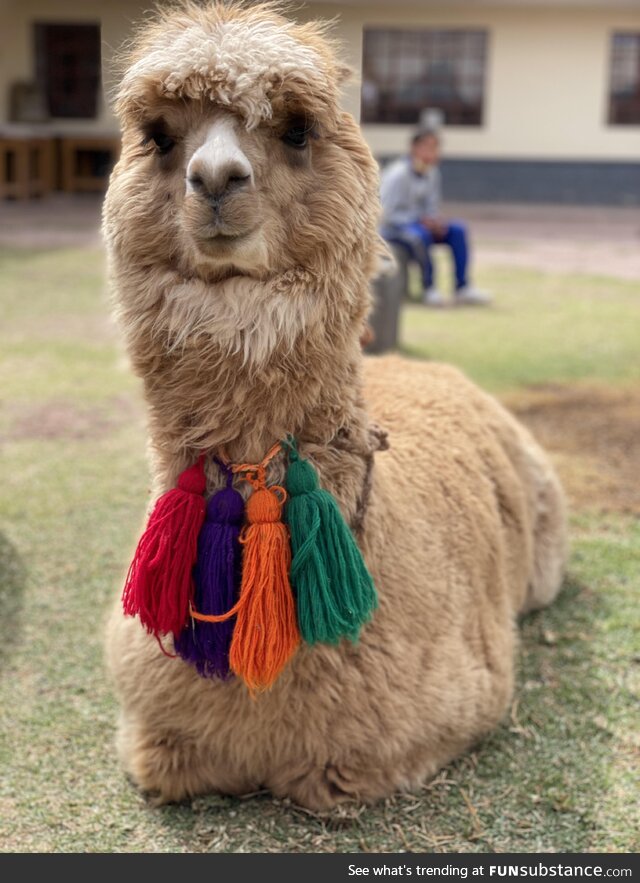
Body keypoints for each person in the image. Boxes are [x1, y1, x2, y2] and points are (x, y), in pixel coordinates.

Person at [380, 128, 490, 307]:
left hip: (420, 224)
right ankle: (429, 288)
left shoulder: (432, 173)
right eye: (427, 147)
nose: (432, 152)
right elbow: (386, 213)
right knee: (419, 236)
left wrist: (435, 221)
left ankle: (462, 287)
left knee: (457, 229)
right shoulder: (397, 174)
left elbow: (431, 207)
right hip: (396, 228)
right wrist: (418, 220)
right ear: (414, 148)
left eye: (436, 147)